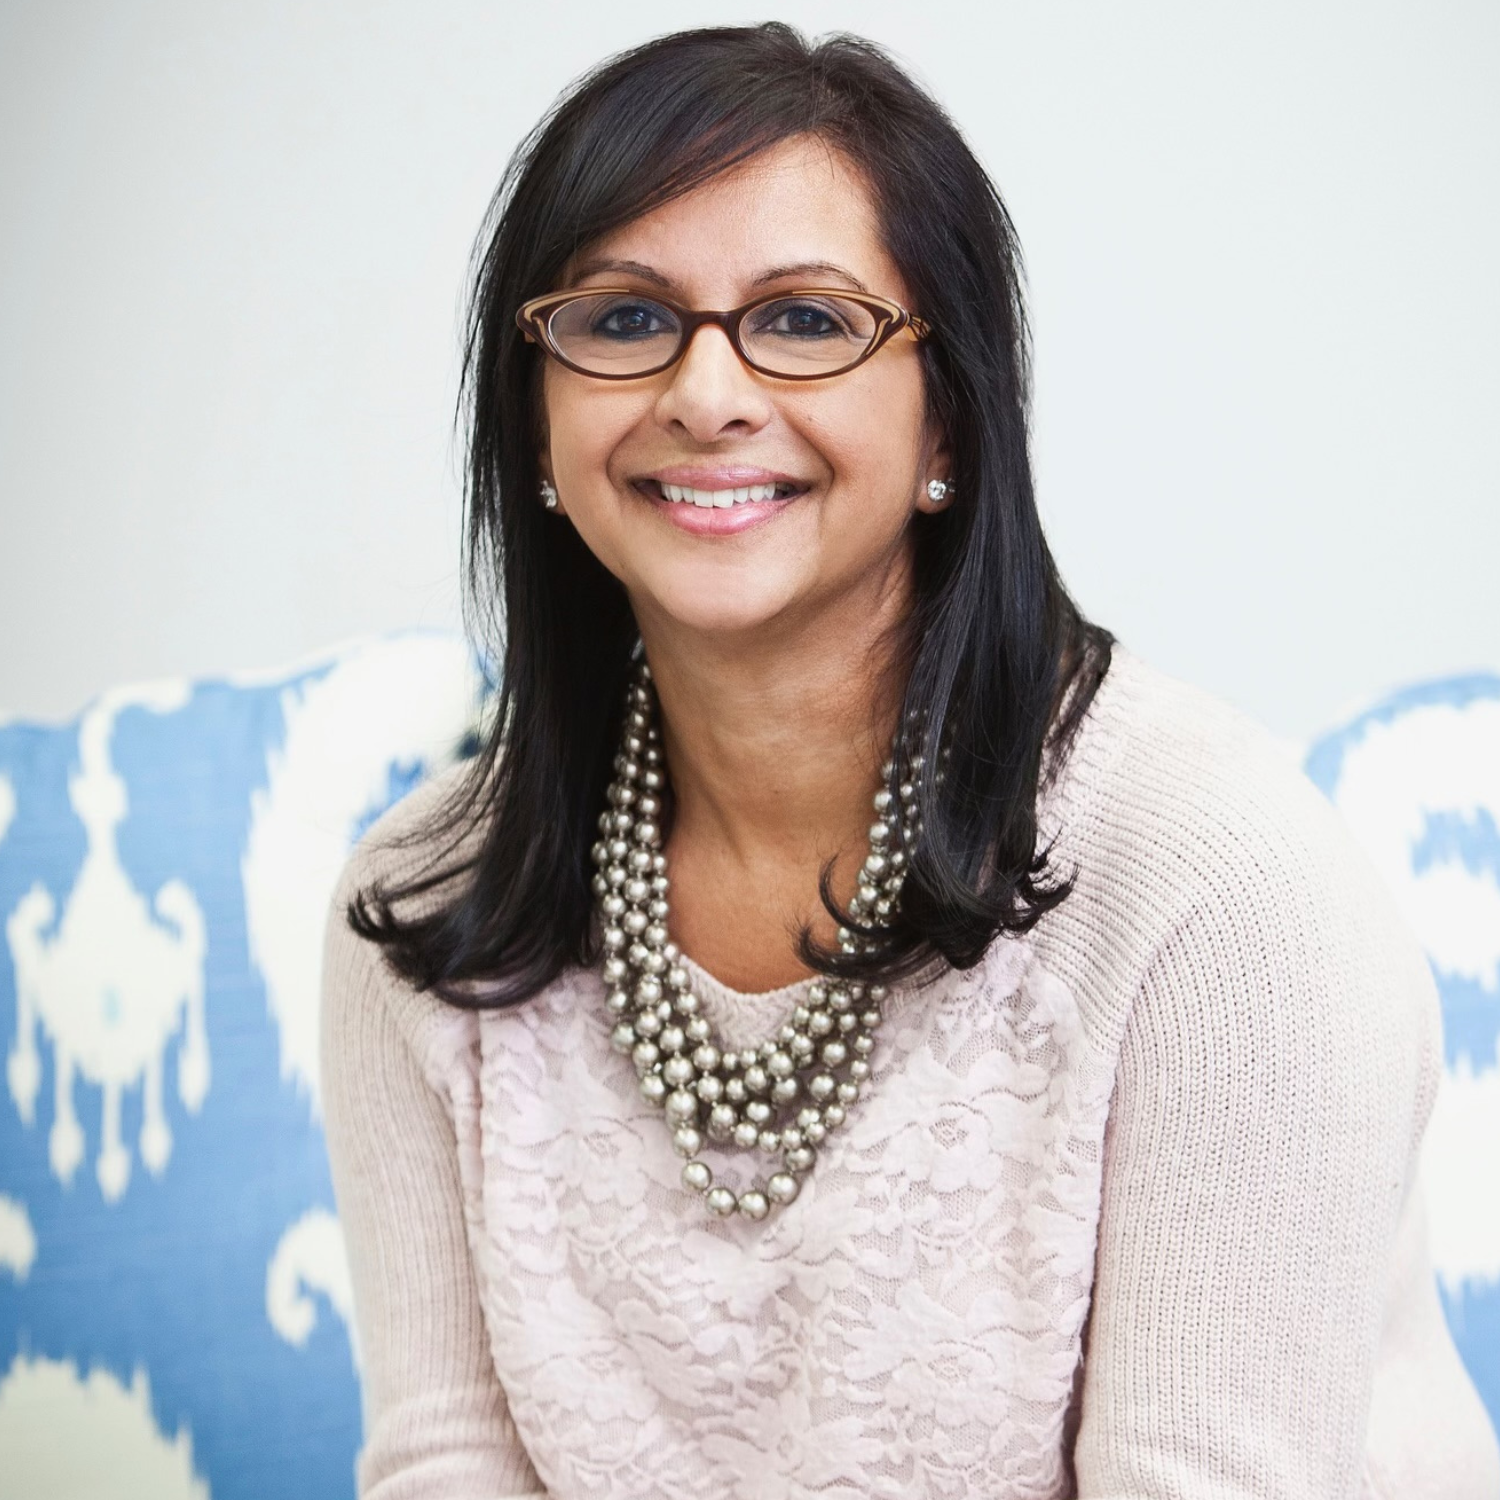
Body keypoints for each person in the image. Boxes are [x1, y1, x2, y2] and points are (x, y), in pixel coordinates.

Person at [319, 22, 1500, 1500]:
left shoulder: (1226, 892)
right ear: (539, 416)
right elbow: (446, 1465)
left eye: (805, 320)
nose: (704, 392)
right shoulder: (424, 910)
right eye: (622, 319)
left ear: (948, 415)